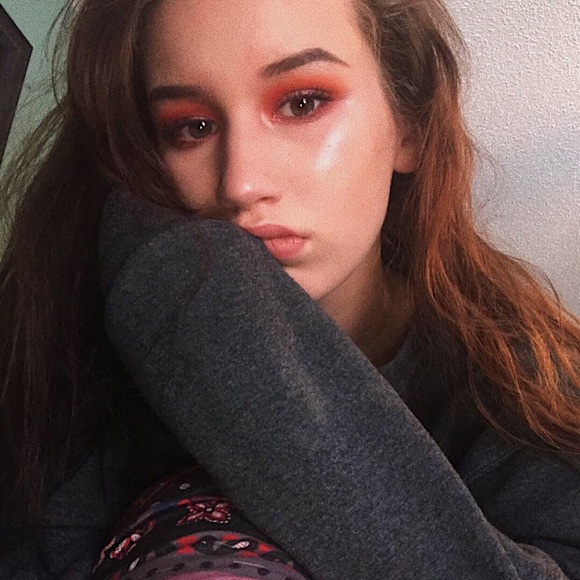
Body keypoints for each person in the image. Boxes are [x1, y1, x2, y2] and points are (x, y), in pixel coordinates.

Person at [0, 0, 578, 578]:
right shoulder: (67, 374)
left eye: (303, 103)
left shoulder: (530, 389)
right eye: (192, 128)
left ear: (410, 126)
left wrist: (181, 279)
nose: (240, 182)